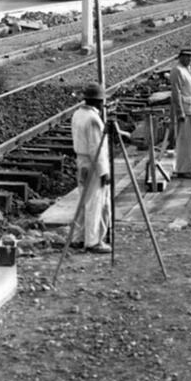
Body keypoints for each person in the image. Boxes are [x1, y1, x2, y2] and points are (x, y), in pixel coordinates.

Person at [70, 82, 112, 253]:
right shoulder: (94, 119)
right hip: (93, 163)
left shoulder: (78, 114)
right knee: (96, 202)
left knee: (83, 201)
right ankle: (93, 241)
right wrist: (104, 171)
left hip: (81, 161)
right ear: (98, 102)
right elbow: (97, 147)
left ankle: (78, 237)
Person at [170, 47, 191, 178]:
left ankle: (189, 166)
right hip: (186, 110)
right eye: (187, 56)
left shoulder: (189, 69)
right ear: (181, 56)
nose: (189, 59)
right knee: (185, 141)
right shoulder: (177, 70)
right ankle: (183, 169)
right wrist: (180, 112)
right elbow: (176, 92)